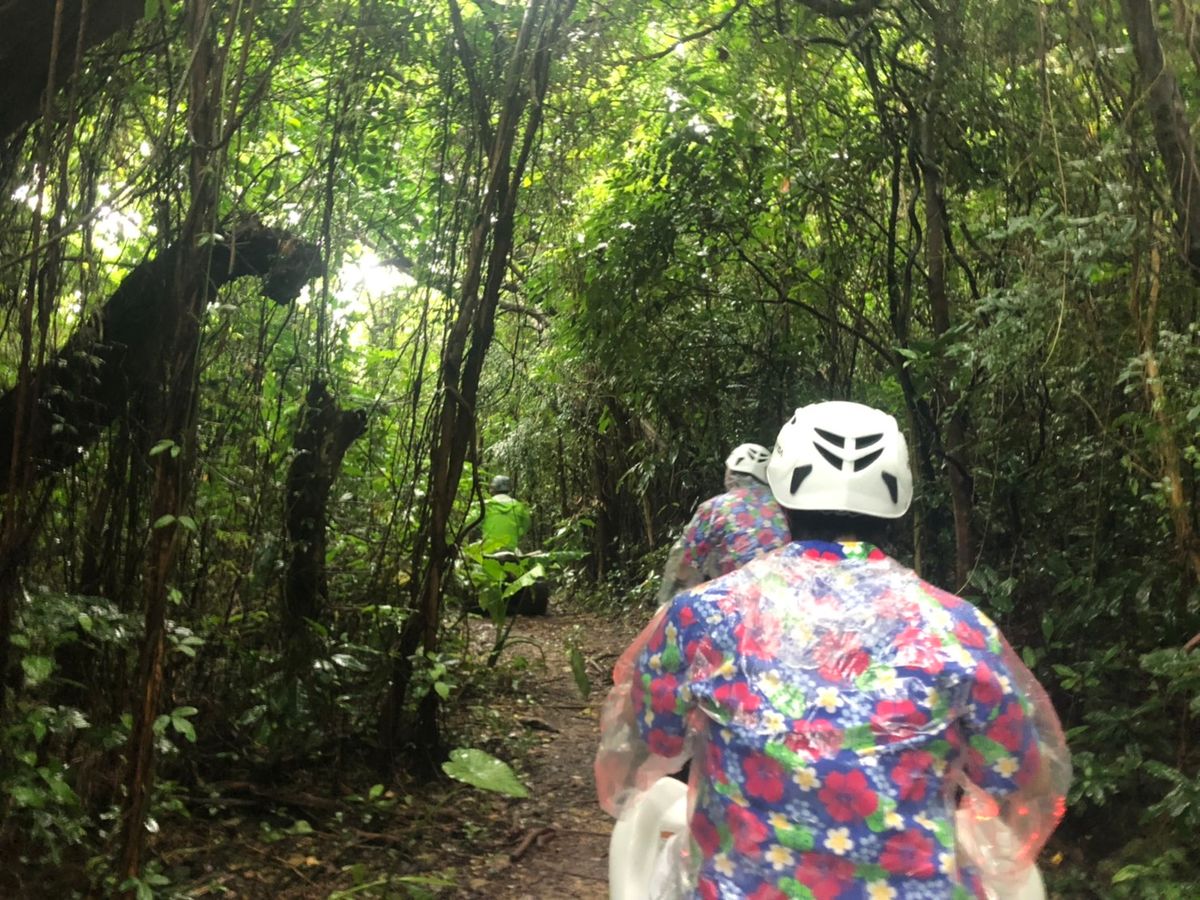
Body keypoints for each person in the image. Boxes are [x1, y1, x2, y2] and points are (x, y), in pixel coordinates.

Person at [597, 400, 1070, 899]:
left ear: (782, 496)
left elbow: (646, 747)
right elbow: (1021, 782)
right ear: (898, 504)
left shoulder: (701, 616)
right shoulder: (960, 629)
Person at [656, 443, 791, 607]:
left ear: (731, 473)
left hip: (741, 603)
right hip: (787, 595)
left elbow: (684, 564)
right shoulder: (785, 506)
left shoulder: (714, 508)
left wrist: (670, 599)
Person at [479, 474, 531, 553]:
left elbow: (469, 522)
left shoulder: (486, 505)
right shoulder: (519, 506)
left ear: (493, 489)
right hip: (511, 549)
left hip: (488, 550)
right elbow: (526, 526)